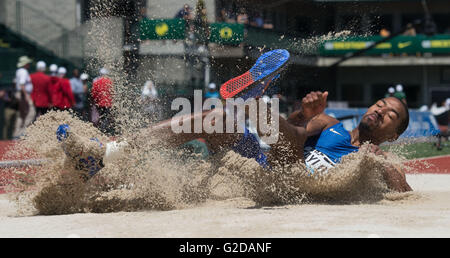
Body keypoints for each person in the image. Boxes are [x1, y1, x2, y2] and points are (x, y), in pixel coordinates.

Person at [56, 50, 412, 192]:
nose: (380, 110)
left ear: (393, 134)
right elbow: (292, 132)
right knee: (214, 118)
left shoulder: (378, 158)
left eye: (390, 114)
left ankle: (253, 102)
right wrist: (306, 114)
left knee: (288, 155)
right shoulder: (330, 123)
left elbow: (404, 196)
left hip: (295, 186)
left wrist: (382, 164)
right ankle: (106, 156)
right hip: (267, 162)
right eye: (381, 103)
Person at [13, 56, 36, 138]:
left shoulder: (19, 71)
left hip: (20, 93)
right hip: (24, 94)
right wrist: (26, 95)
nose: (29, 64)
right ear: (25, 64)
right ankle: (22, 133)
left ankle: (17, 133)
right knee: (31, 113)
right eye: (28, 63)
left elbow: (15, 82)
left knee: (21, 114)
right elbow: (22, 84)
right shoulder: (23, 72)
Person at [91, 68, 114, 134]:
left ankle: (99, 131)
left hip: (99, 103)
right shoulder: (110, 82)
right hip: (108, 103)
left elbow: (93, 93)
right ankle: (104, 131)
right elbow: (112, 93)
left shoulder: (96, 82)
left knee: (99, 117)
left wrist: (94, 102)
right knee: (106, 118)